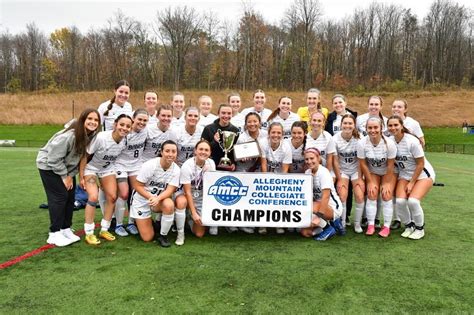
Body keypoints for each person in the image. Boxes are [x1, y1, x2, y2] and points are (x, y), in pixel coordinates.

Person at [37, 109, 101, 247]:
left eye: (96, 120)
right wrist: (65, 176)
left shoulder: (90, 135)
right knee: (59, 197)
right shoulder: (70, 136)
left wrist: (80, 176)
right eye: (89, 119)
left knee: (70, 197)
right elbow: (53, 159)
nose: (93, 122)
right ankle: (54, 233)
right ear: (82, 120)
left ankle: (65, 229)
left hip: (66, 169)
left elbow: (82, 156)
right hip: (49, 166)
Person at [80, 114, 132, 245]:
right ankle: (89, 232)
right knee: (93, 197)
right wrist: (81, 176)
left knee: (113, 197)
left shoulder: (124, 141)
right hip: (91, 168)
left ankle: (104, 229)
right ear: (115, 124)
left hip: (107, 169)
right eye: (121, 124)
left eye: (128, 126)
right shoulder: (101, 137)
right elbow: (84, 156)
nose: (124, 128)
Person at [388, 116, 435, 240]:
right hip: (405, 174)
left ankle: (420, 228)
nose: (393, 128)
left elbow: (420, 164)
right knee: (400, 202)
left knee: (413, 201)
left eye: (396, 125)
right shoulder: (389, 141)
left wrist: (412, 183)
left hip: (422, 174)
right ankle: (409, 226)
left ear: (402, 126)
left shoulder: (412, 141)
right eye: (390, 125)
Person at [129, 140, 182, 247]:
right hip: (142, 199)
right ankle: (146, 222)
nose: (170, 154)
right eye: (167, 151)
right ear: (161, 152)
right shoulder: (150, 165)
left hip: (158, 200)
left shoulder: (176, 169)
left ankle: (163, 235)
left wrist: (158, 198)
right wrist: (150, 197)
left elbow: (170, 190)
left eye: (173, 151)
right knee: (147, 238)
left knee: (169, 204)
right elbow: (137, 186)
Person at [357, 117, 397, 237]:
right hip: (373, 171)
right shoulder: (362, 143)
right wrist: (369, 181)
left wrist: (386, 183)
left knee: (386, 193)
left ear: (381, 128)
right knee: (372, 192)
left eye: (376, 127)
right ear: (366, 129)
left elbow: (390, 165)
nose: (373, 130)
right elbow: (363, 164)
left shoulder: (389, 144)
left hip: (388, 172)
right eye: (370, 128)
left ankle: (386, 226)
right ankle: (371, 225)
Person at [113, 109, 149, 237]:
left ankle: (131, 222)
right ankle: (118, 224)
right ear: (133, 119)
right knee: (123, 194)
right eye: (139, 119)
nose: (142, 122)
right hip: (120, 165)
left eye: (145, 120)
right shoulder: (125, 132)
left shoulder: (146, 132)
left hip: (135, 166)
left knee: (137, 193)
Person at [325, 94, 358, 226]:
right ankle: (337, 215)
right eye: (335, 103)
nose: (338, 105)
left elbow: (357, 135)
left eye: (340, 102)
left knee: (353, 190)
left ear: (345, 103)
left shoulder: (354, 116)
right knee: (340, 189)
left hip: (351, 159)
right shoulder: (331, 118)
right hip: (337, 154)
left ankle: (349, 216)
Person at [300, 148, 344, 241]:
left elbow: (326, 196)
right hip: (318, 207)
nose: (309, 161)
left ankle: (328, 228)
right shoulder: (307, 172)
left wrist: (318, 217)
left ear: (318, 158)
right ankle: (334, 224)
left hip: (331, 206)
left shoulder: (323, 172)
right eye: (307, 159)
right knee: (305, 232)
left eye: (312, 158)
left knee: (310, 207)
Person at [234, 112, 268, 234]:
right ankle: (243, 223)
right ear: (245, 124)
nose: (252, 124)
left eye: (255, 121)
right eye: (249, 122)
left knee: (259, 198)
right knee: (245, 197)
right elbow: (236, 156)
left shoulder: (265, 134)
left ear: (259, 122)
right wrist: (242, 158)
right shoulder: (242, 137)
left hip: (261, 169)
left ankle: (261, 224)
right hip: (244, 170)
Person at [332, 114, 365, 232]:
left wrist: (360, 178)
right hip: (343, 170)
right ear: (341, 125)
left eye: (350, 123)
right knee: (342, 195)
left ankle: (357, 224)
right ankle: (342, 223)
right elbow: (335, 161)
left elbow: (362, 160)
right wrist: (339, 178)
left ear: (354, 125)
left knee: (360, 195)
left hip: (356, 170)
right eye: (345, 123)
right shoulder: (335, 138)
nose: (347, 125)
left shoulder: (360, 138)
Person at [260, 122, 292, 235]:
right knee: (263, 198)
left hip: (279, 177)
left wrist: (279, 184)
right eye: (273, 132)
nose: (276, 135)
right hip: (265, 175)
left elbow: (285, 169)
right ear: (269, 133)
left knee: (279, 197)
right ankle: (262, 224)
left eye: (279, 133)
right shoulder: (263, 143)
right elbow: (263, 164)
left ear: (282, 135)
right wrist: (266, 182)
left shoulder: (286, 147)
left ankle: (279, 223)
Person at [180, 140, 217, 238]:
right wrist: (194, 213)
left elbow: (211, 187)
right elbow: (187, 192)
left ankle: (189, 220)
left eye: (206, 150)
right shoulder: (187, 166)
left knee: (199, 234)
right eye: (201, 149)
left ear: (210, 153)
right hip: (187, 196)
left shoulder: (211, 164)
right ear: (195, 151)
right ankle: (184, 217)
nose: (203, 152)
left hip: (201, 197)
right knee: (181, 202)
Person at [201, 103, 240, 170]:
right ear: (218, 114)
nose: (226, 116)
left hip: (228, 167)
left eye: (229, 113)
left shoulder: (235, 130)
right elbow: (202, 149)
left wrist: (233, 163)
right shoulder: (208, 129)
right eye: (223, 113)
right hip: (210, 167)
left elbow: (235, 150)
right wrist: (215, 142)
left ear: (232, 115)